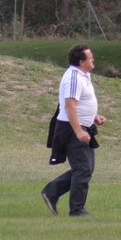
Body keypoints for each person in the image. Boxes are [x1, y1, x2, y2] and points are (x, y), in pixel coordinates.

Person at [42, 44, 106, 217]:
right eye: (90, 58)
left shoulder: (84, 75)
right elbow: (70, 106)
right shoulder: (73, 78)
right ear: (81, 61)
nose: (93, 60)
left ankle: (51, 192)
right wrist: (78, 132)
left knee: (86, 168)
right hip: (71, 129)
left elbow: (82, 103)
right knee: (83, 169)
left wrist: (94, 116)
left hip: (84, 126)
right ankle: (76, 210)